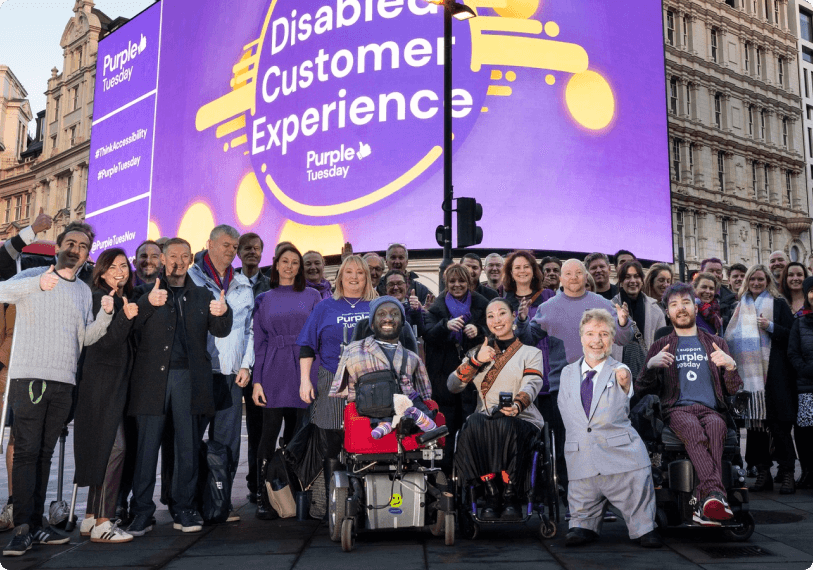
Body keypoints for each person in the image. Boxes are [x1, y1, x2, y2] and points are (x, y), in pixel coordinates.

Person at [0, 221, 115, 556]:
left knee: (45, 456)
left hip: (64, 381)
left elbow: (84, 338)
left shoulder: (81, 291)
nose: (75, 249)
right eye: (70, 242)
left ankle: (36, 526)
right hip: (30, 378)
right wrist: (36, 283)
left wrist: (105, 317)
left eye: (82, 245)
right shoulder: (33, 277)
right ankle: (22, 527)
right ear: (59, 246)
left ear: (86, 254)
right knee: (26, 453)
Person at [126, 238, 232, 537]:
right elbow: (130, 328)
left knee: (186, 446)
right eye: (173, 255)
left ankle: (184, 507)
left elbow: (220, 330)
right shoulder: (143, 292)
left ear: (190, 261)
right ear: (162, 260)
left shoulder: (201, 295)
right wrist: (147, 303)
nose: (179, 261)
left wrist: (224, 312)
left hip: (189, 380)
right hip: (152, 381)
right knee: (147, 448)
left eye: (185, 256)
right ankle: (142, 511)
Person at [636, 283, 743, 526]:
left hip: (711, 409)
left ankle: (702, 502)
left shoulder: (716, 342)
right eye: (674, 305)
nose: (680, 308)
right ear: (668, 312)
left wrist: (731, 366)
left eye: (685, 302)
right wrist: (651, 366)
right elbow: (642, 389)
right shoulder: (660, 345)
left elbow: (734, 389)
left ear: (694, 307)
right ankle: (715, 496)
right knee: (693, 431)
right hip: (677, 410)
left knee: (716, 428)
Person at [558, 309, 661, 548]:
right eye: (591, 333)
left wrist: (626, 381)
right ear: (581, 337)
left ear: (613, 339)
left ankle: (644, 527)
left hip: (621, 458)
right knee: (581, 516)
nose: (597, 340)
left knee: (637, 499)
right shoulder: (567, 373)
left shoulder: (620, 370)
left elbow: (626, 388)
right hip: (582, 458)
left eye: (604, 334)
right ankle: (584, 525)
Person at [447, 298, 545, 520]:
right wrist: (474, 362)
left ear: (513, 317)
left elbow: (532, 384)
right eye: (490, 316)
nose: (496, 320)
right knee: (473, 423)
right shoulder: (478, 352)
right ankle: (491, 493)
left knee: (507, 424)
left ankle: (510, 495)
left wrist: (518, 404)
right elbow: (452, 386)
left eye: (502, 313)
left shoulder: (530, 353)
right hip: (486, 418)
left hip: (523, 418)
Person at [188, 225, 255, 522]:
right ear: (209, 244)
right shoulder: (191, 278)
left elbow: (250, 329)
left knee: (228, 444)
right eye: (225, 244)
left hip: (231, 374)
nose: (231, 250)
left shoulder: (242, 283)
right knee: (188, 442)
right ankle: (187, 504)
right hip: (199, 374)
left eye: (234, 246)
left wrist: (246, 364)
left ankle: (221, 503)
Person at [297, 255, 376, 504]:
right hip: (332, 377)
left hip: (371, 381)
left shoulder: (378, 306)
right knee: (332, 440)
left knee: (369, 437)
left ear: (368, 277)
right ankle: (335, 500)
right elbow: (307, 346)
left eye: (360, 273)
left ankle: (366, 496)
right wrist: (304, 381)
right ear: (340, 276)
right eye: (349, 272)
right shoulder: (324, 307)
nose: (354, 277)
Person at [74, 248, 140, 543]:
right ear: (100, 271)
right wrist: (125, 318)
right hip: (102, 384)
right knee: (115, 449)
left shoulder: (117, 296)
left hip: (109, 383)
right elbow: (102, 343)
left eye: (123, 265)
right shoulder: (103, 298)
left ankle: (91, 517)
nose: (119, 271)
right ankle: (103, 522)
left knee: (104, 447)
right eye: (112, 266)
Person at [252, 244, 321, 519]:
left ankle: (294, 492)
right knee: (268, 433)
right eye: (285, 261)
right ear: (276, 265)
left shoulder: (313, 295)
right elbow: (258, 343)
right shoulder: (264, 298)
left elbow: (318, 335)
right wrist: (257, 381)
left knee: (299, 432)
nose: (290, 266)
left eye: (295, 262)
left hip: (305, 368)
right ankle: (263, 494)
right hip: (274, 367)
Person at [724, 264, 798, 495]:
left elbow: (792, 336)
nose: (756, 283)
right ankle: (763, 472)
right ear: (747, 281)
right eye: (753, 279)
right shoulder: (738, 308)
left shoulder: (779, 304)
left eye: (760, 279)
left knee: (778, 427)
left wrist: (770, 326)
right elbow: (730, 339)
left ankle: (787, 473)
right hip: (749, 380)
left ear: (768, 281)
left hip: (775, 376)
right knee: (756, 428)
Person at [330, 295, 433, 439]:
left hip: (405, 408)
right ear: (372, 324)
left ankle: (417, 422)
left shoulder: (412, 358)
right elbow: (343, 392)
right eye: (381, 314)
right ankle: (385, 422)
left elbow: (425, 395)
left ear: (403, 323)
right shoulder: (352, 351)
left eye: (395, 314)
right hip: (370, 410)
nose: (388, 318)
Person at [424, 263, 488, 468]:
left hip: (476, 376)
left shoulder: (482, 303)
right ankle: (448, 476)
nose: (457, 285)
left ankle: (473, 474)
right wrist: (445, 326)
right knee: (447, 428)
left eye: (461, 280)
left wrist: (477, 330)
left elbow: (493, 330)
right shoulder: (436, 308)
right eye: (452, 281)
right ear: (446, 283)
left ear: (469, 282)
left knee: (473, 425)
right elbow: (428, 335)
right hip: (444, 378)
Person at [515, 259, 633, 364]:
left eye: (578, 273)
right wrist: (522, 320)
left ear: (586, 277)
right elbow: (528, 340)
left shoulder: (603, 304)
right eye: (568, 274)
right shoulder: (547, 307)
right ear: (561, 278)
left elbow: (623, 339)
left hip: (599, 382)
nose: (573, 277)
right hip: (561, 383)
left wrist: (623, 324)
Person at [236, 232, 269, 505]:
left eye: (256, 248)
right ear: (238, 252)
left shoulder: (269, 286)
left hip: (259, 367)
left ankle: (257, 483)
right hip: (230, 365)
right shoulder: (230, 282)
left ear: (261, 253)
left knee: (258, 430)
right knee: (225, 429)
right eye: (246, 248)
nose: (251, 252)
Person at [787, 276, 813, 490]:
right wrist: (806, 370)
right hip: (807, 388)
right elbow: (793, 353)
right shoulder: (800, 321)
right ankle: (807, 472)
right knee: (805, 434)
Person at [611, 260, 666, 354]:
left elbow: (662, 343)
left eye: (636, 276)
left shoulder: (656, 310)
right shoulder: (609, 308)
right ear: (621, 282)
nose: (632, 281)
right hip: (618, 366)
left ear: (642, 281)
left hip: (647, 365)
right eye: (627, 277)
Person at [381, 268, 426, 339]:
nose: (395, 287)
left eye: (399, 283)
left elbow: (421, 332)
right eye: (391, 284)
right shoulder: (379, 309)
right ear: (385, 288)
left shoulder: (414, 308)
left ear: (407, 286)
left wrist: (416, 311)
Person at [701, 258, 737, 329]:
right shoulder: (690, 297)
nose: (715, 274)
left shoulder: (733, 300)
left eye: (718, 272)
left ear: (722, 276)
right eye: (710, 271)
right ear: (701, 274)